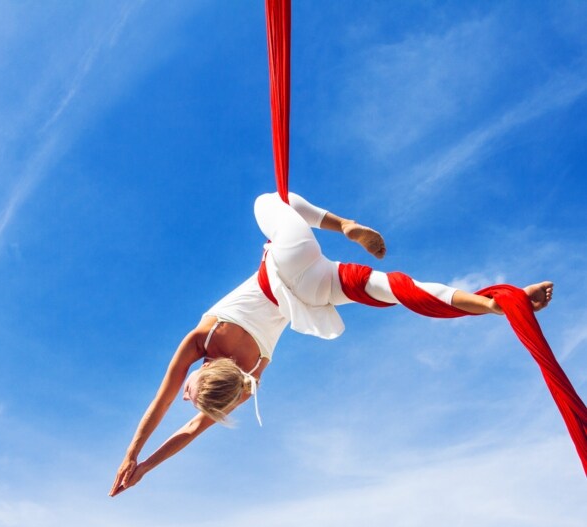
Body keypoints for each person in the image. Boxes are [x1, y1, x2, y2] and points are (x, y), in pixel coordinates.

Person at [109, 192, 553, 496]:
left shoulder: (247, 383)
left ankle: (496, 304)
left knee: (400, 290)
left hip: (314, 295)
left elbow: (188, 430)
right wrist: (132, 455)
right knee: (271, 201)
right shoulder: (202, 339)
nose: (185, 396)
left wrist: (145, 468)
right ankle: (345, 225)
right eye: (194, 392)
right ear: (206, 371)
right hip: (287, 263)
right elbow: (162, 403)